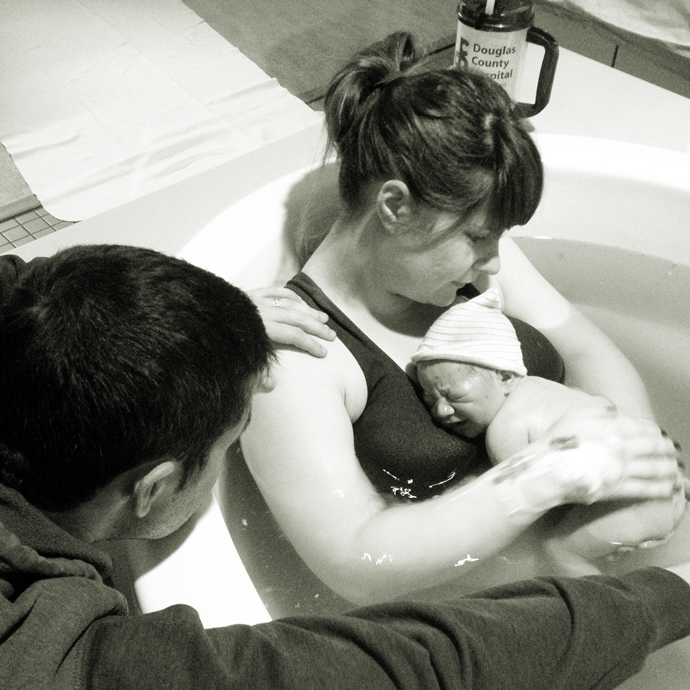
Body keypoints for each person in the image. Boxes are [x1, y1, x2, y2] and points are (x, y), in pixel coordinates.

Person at [1, 243, 689, 690]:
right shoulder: (62, 659)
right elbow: (423, 664)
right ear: (153, 489)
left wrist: (206, 326)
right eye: (228, 445)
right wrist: (667, 595)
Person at [236, 30, 681, 606]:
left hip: (602, 540)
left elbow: (583, 347)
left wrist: (636, 457)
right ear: (395, 207)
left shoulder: (469, 257)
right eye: (478, 236)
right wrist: (543, 483)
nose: (494, 260)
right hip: (496, 601)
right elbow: (354, 561)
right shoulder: (302, 354)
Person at [412, 287, 686, 576]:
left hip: (637, 505)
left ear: (505, 377)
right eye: (429, 398)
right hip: (666, 479)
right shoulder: (548, 390)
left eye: (453, 396)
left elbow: (526, 511)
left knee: (557, 551)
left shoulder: (506, 429)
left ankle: (612, 601)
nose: (440, 409)